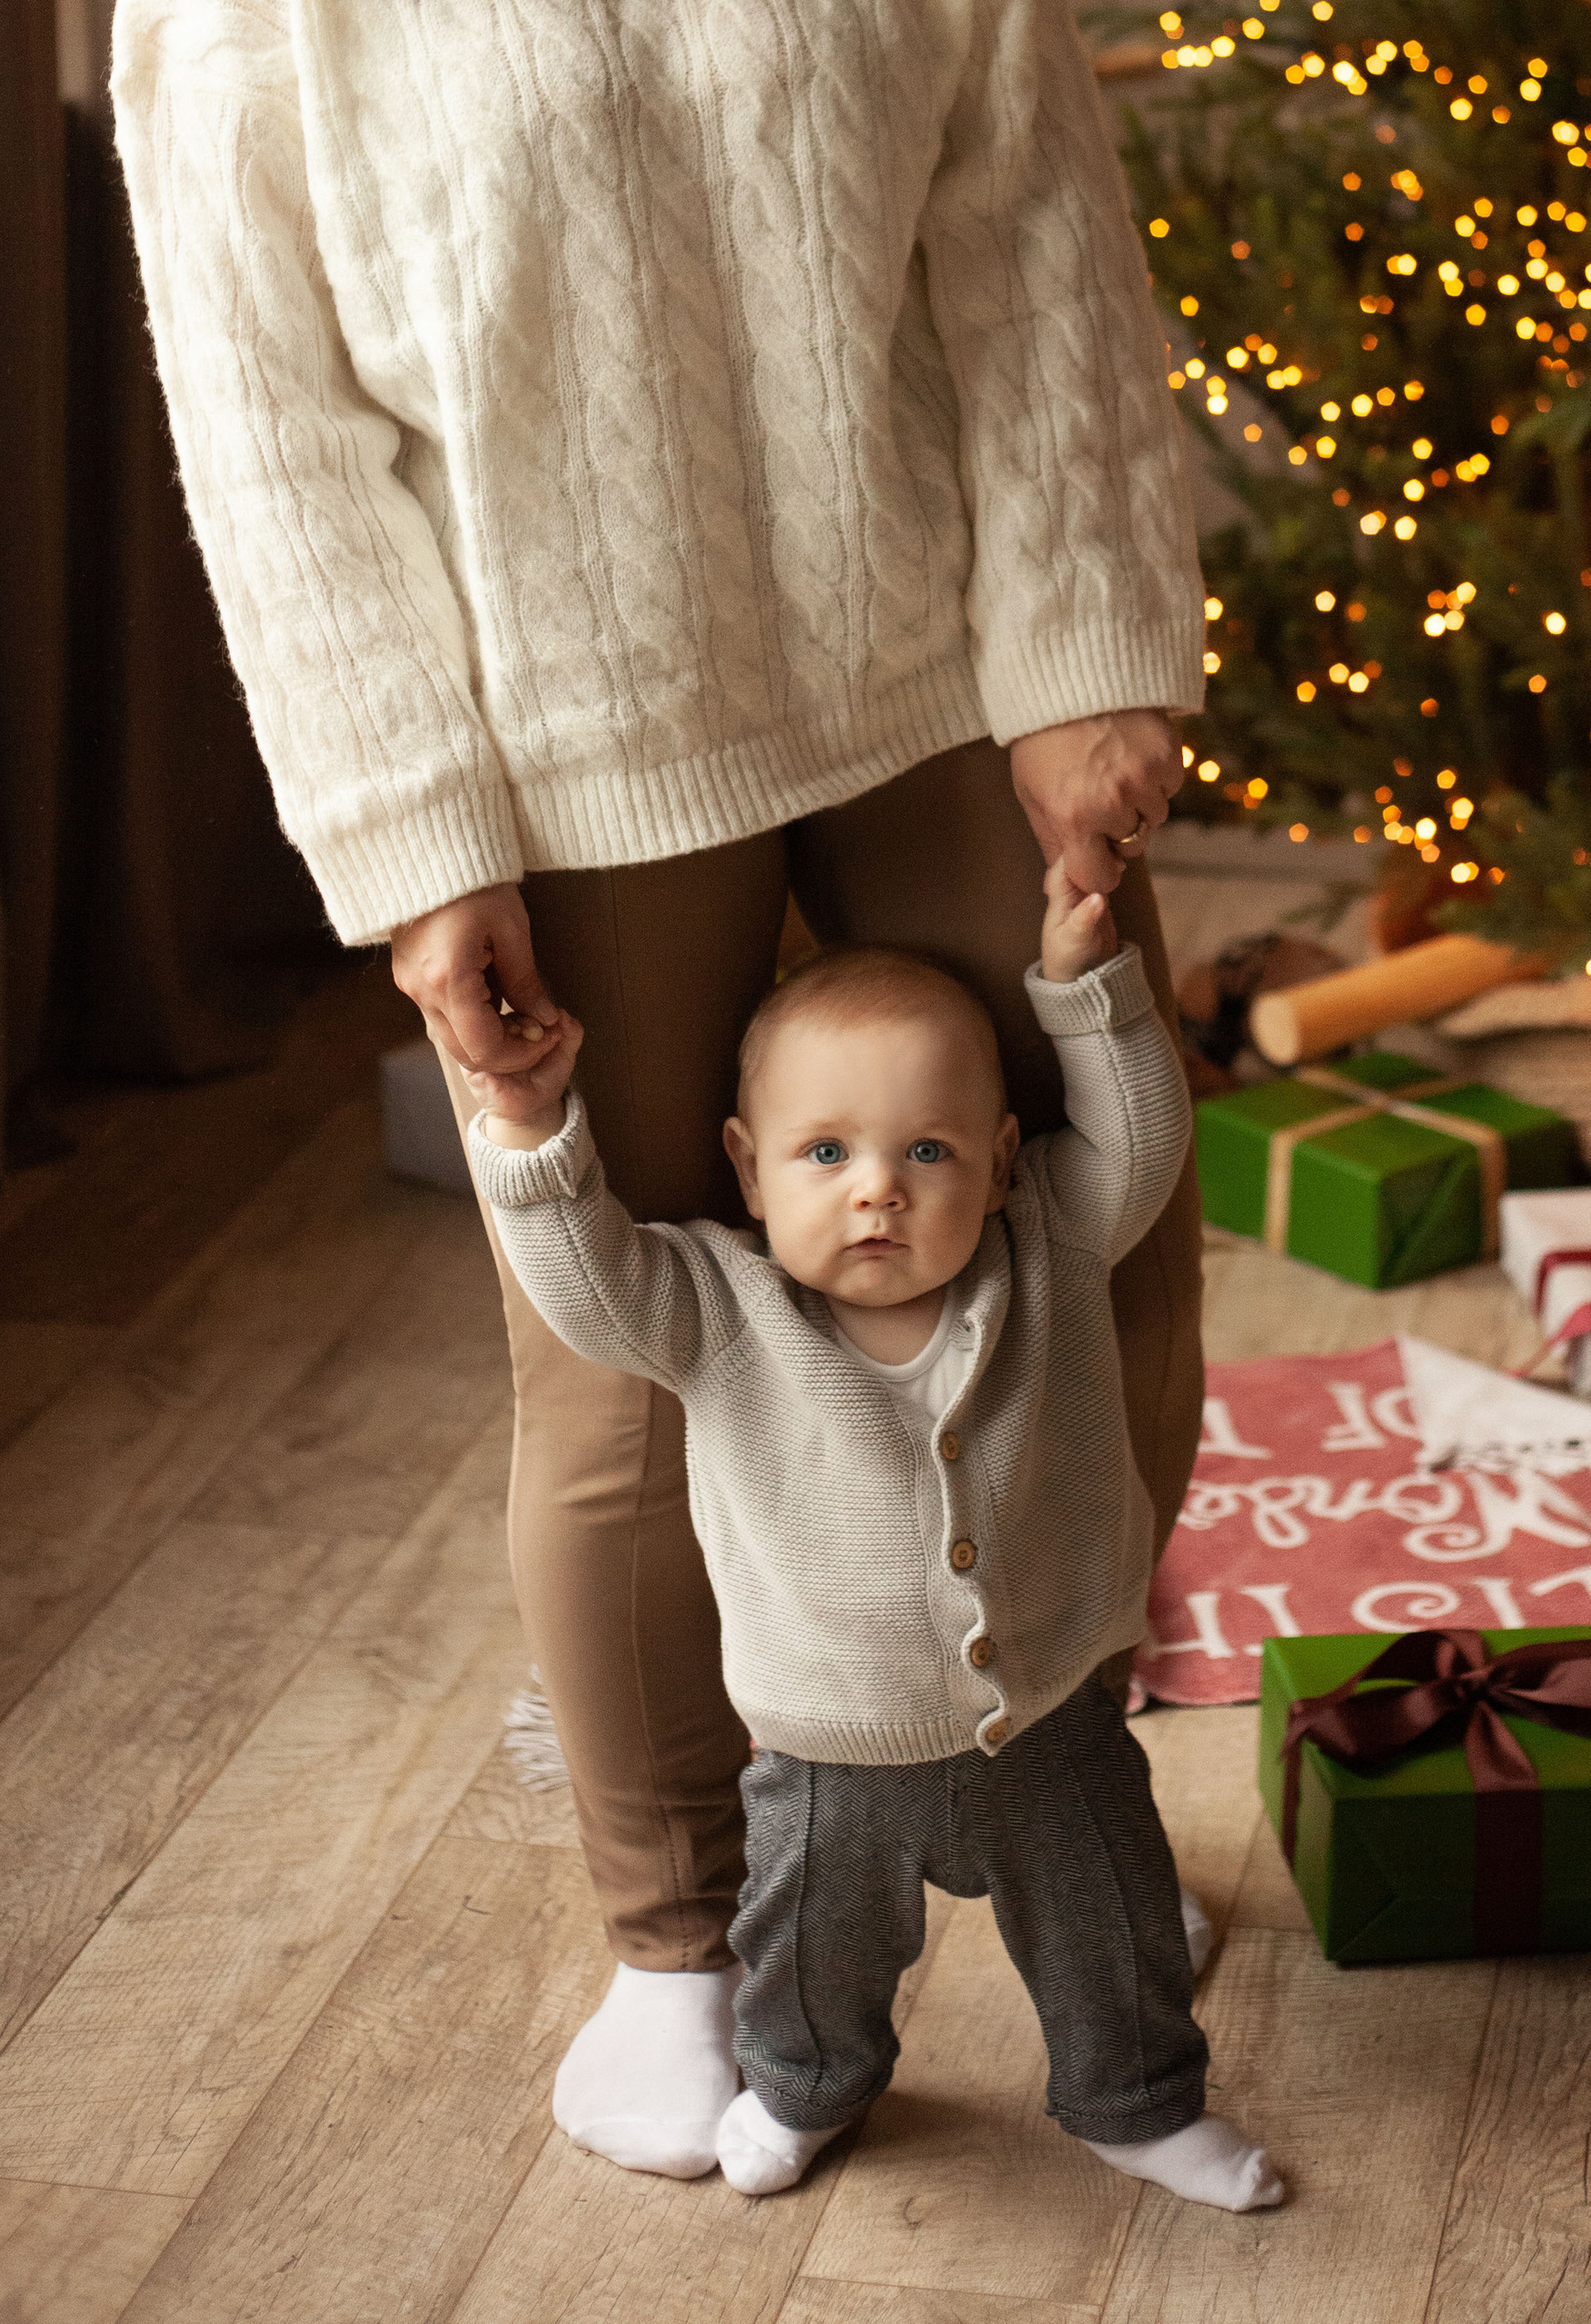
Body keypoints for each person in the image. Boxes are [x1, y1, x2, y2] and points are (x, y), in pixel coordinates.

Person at [111, 0, 1207, 2179]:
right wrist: (416, 843)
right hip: (574, 735)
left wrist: (1090, 640)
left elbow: (1025, 239)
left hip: (921, 655)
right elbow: (271, 404)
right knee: (639, 1355)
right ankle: (675, 1943)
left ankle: (1043, 1779)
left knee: (1104, 1232)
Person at [457, 865, 1283, 2212]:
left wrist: (1091, 988)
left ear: (1002, 1162)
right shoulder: (718, 1308)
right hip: (827, 1752)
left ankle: (1137, 2105)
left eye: (929, 1153)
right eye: (826, 1153)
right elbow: (586, 1290)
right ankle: (801, 2093)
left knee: (1114, 1940)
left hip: (1052, 1726)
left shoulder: (1049, 1252)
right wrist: (531, 1132)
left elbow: (1138, 1139)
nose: (878, 1193)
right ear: (748, 1165)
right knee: (807, 1962)